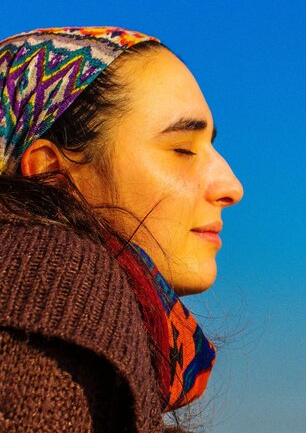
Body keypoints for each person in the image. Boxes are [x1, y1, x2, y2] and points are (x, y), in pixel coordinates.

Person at [0, 27, 243, 432]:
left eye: (211, 149)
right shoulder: (54, 275)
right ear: (49, 174)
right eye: (182, 150)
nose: (231, 187)